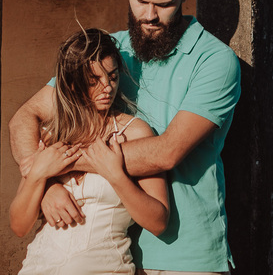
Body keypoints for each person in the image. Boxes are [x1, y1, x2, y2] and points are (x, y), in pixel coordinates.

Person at [11, 0, 241, 274]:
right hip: (119, 252)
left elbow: (165, 153)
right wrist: (41, 181)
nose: (149, 15)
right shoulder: (107, 53)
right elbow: (26, 115)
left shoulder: (215, 61)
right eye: (139, 0)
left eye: (164, 4)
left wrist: (61, 165)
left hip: (185, 254)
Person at [12, 28, 169, 274]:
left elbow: (158, 221)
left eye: (113, 76)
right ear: (73, 84)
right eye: (94, 80)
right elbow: (20, 226)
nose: (107, 87)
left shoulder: (135, 132)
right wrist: (40, 177)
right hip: (39, 266)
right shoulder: (52, 136)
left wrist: (115, 175)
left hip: (104, 267)